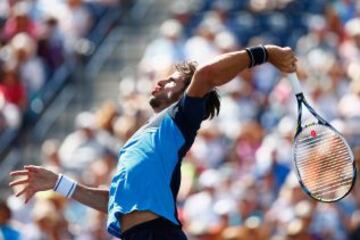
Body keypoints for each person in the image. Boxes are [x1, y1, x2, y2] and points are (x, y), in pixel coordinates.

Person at [9, 44, 296, 240]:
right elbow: (116, 202)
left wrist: (266, 53)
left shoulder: (181, 118)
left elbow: (207, 74)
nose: (160, 82)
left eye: (171, 81)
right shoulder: (140, 140)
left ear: (188, 93)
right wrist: (59, 183)